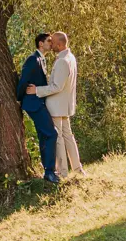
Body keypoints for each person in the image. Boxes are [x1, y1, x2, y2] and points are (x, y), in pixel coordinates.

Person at [27, 31, 85, 178]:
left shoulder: (62, 61)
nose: (50, 45)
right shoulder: (70, 58)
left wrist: (36, 90)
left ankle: (63, 172)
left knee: (59, 138)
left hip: (56, 106)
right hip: (65, 105)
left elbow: (56, 86)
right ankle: (77, 168)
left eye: (52, 42)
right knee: (68, 136)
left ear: (59, 44)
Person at [17, 32, 60, 185]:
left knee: (44, 136)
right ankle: (50, 172)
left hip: (38, 102)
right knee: (52, 134)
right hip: (33, 104)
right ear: (40, 44)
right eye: (48, 41)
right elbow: (23, 81)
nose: (51, 43)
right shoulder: (32, 59)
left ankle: (47, 172)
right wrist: (18, 99)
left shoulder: (41, 60)